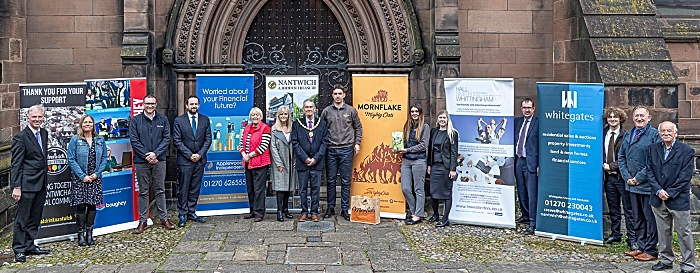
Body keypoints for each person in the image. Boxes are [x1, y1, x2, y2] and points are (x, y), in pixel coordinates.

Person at [646, 121, 696, 273]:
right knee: (663, 232)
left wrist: (671, 192)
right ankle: (666, 260)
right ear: (659, 133)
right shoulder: (652, 149)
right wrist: (658, 190)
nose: (666, 133)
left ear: (676, 133)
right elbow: (649, 171)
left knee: (684, 233)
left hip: (678, 199)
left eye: (669, 130)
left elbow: (685, 177)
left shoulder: (687, 150)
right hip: (658, 198)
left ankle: (688, 265)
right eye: (663, 131)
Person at [618, 105, 660, 261]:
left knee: (650, 219)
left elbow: (653, 161)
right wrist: (627, 176)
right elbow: (621, 157)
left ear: (649, 118)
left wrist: (638, 178)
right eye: (636, 116)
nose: (639, 118)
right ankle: (641, 247)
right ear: (632, 117)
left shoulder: (655, 135)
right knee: (637, 218)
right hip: (631, 185)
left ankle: (651, 250)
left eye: (642, 116)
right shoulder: (629, 134)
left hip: (646, 186)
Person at [129, 94, 175, 233]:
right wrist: (146, 155)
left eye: (152, 104)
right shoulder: (135, 120)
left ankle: (163, 218)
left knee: (160, 190)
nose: (150, 106)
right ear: (143, 104)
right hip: (141, 161)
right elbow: (134, 140)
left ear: (156, 104)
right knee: (143, 191)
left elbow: (167, 138)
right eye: (147, 103)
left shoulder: (163, 119)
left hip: (159, 160)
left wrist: (155, 153)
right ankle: (143, 221)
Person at [11, 105, 51, 262]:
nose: (37, 120)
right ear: (28, 118)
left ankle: (29, 245)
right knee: (22, 218)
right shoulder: (21, 137)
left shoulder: (44, 133)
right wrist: (16, 186)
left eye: (40, 117)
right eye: (34, 117)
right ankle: (19, 249)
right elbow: (16, 164)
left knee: (35, 217)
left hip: (41, 183)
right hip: (26, 184)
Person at [319, 84, 362, 221]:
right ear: (332, 95)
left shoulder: (351, 111)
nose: (337, 96)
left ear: (344, 95)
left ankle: (344, 209)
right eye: (335, 94)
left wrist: (357, 143)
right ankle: (330, 207)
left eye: (340, 93)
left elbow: (358, 127)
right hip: (331, 149)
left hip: (346, 149)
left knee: (345, 180)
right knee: (330, 180)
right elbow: (321, 129)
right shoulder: (326, 111)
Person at [67, 114, 109, 246]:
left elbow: (103, 159)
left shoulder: (100, 140)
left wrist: (97, 174)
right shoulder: (75, 140)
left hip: (95, 178)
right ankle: (80, 234)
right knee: (81, 206)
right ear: (81, 124)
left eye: (90, 122)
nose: (87, 124)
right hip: (80, 178)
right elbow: (71, 159)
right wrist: (82, 176)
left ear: (93, 125)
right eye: (85, 122)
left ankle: (89, 233)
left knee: (92, 205)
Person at [173, 95, 212, 227]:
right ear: (186, 105)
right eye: (191, 104)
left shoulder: (205, 120)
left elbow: (208, 140)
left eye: (196, 104)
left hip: (200, 160)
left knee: (195, 188)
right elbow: (177, 141)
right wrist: (190, 155)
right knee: (183, 188)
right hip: (185, 161)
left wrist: (199, 154)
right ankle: (182, 214)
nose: (194, 106)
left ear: (199, 105)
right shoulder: (179, 121)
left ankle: (191, 212)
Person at [601, 107, 636, 249]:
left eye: (615, 117)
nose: (612, 119)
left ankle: (632, 238)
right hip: (608, 178)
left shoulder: (626, 135)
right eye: (610, 117)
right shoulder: (603, 133)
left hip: (622, 177)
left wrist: (612, 166)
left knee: (628, 209)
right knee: (613, 208)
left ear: (620, 119)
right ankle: (616, 234)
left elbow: (627, 157)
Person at [291, 100, 328, 222]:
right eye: (306, 107)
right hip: (303, 163)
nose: (308, 109)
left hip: (316, 163)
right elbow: (295, 143)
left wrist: (316, 158)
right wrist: (305, 158)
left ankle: (314, 212)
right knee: (302, 189)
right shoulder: (297, 124)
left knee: (315, 188)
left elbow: (324, 142)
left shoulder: (321, 124)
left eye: (311, 107)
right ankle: (304, 212)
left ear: (315, 108)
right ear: (303, 109)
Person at [396, 103, 429, 225]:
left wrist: (408, 150)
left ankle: (417, 215)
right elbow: (404, 142)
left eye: (416, 111)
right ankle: (415, 211)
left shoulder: (425, 127)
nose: (414, 113)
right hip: (406, 160)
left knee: (418, 189)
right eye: (412, 111)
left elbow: (423, 145)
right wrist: (398, 147)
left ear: (420, 113)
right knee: (405, 188)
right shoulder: (407, 125)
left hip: (419, 160)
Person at [426, 110, 459, 228]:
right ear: (437, 119)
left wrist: (452, 169)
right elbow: (430, 150)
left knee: (446, 193)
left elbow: (454, 152)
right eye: (440, 117)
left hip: (446, 167)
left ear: (447, 119)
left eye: (444, 118)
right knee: (433, 191)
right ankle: (435, 214)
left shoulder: (452, 133)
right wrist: (429, 165)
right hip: (435, 166)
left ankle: (445, 219)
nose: (442, 120)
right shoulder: (434, 131)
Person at [240, 107, 272, 222]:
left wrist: (249, 155)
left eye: (257, 115)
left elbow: (263, 147)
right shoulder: (246, 128)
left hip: (260, 163)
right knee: (250, 188)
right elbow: (241, 144)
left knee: (259, 189)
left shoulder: (265, 128)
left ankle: (259, 213)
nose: (255, 117)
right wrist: (244, 154)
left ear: (261, 116)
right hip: (248, 163)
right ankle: (252, 210)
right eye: (253, 115)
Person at [514, 98, 539, 235]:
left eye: (529, 107)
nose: (527, 110)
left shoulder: (538, 123)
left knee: (531, 193)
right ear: (521, 109)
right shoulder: (517, 122)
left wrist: (539, 164)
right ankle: (525, 215)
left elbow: (541, 145)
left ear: (533, 109)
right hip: (519, 160)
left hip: (531, 162)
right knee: (521, 190)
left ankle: (533, 222)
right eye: (524, 107)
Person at [270, 106, 298, 222]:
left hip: (291, 161)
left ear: (288, 115)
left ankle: (286, 209)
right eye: (281, 114)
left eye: (285, 114)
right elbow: (273, 147)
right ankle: (279, 211)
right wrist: (278, 163)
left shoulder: (292, 128)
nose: (283, 116)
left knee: (288, 187)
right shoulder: (274, 129)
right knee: (280, 188)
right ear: (278, 116)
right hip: (280, 162)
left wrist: (296, 160)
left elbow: (297, 144)